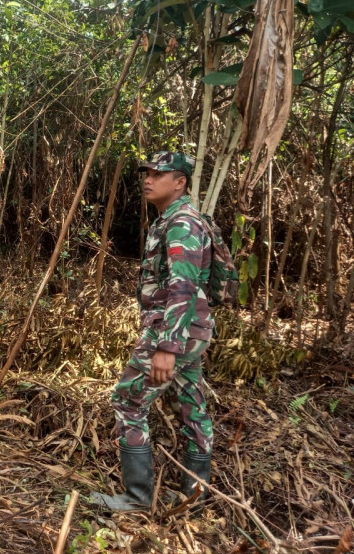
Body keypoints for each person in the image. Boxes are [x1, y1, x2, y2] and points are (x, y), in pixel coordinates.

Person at [90, 150, 214, 511]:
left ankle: (138, 497)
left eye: (158, 174)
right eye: (146, 172)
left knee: (128, 400)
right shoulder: (170, 219)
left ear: (180, 183)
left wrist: (167, 347)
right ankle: (195, 494)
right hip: (190, 329)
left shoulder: (182, 223)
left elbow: (183, 285)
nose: (147, 179)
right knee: (192, 405)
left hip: (176, 330)